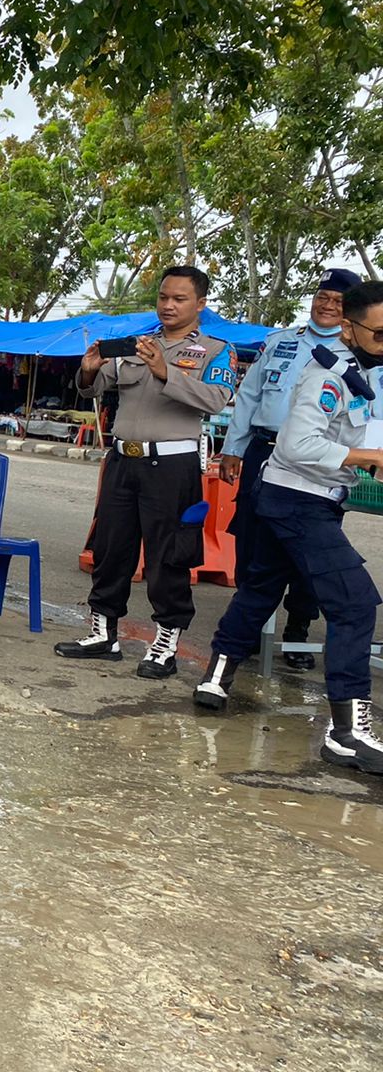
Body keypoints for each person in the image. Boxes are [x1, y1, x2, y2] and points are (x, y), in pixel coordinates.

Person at [191, 281, 383, 775]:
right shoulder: (330, 373)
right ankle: (347, 732)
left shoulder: (362, 370)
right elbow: (299, 445)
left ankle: (217, 673)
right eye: (381, 335)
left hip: (300, 495)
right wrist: (366, 457)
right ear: (350, 327)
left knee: (261, 586)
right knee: (355, 603)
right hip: (296, 498)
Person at [55, 267, 235, 678]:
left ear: (200, 304)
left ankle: (165, 644)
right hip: (123, 459)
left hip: (171, 465)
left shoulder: (215, 350)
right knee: (110, 547)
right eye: (163, 297)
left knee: (168, 556)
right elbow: (95, 385)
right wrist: (88, 368)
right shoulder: (137, 344)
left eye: (179, 299)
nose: (168, 306)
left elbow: (216, 400)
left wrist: (165, 372)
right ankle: (103, 633)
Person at [218, 268, 360, 671]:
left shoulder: (356, 356)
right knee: (251, 539)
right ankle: (244, 634)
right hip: (264, 449)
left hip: (321, 459)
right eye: (322, 297)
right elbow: (248, 395)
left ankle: (297, 630)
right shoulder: (282, 342)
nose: (327, 306)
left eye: (338, 301)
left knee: (309, 550)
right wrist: (234, 448)